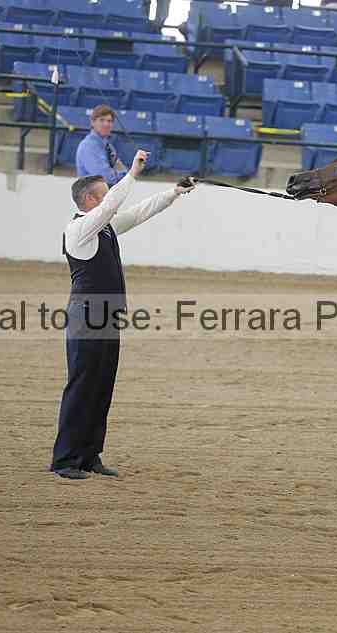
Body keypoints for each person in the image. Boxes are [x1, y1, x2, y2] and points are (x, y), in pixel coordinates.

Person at [50, 150, 196, 480]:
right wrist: (132, 174)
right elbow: (113, 205)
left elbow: (140, 212)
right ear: (90, 200)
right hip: (87, 317)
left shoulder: (104, 228)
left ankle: (89, 455)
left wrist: (174, 192)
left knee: (102, 386)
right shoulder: (79, 229)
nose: (110, 198)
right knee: (82, 386)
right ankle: (65, 459)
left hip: (106, 317)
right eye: (105, 193)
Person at [75, 104, 128, 187]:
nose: (106, 124)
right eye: (102, 120)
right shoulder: (88, 146)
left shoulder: (109, 146)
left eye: (109, 121)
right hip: (92, 194)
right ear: (93, 122)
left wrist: (122, 175)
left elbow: (121, 170)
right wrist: (122, 175)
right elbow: (105, 178)